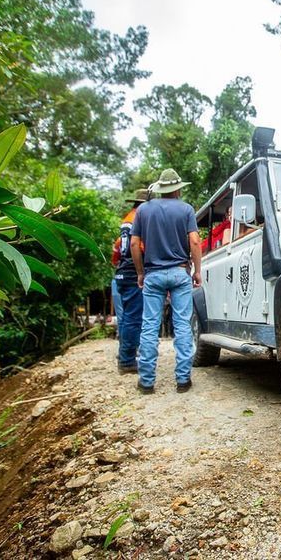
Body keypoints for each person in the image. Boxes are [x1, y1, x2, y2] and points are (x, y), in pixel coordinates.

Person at [130, 168, 202, 394]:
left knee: (149, 326)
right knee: (182, 325)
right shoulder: (186, 209)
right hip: (180, 273)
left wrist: (140, 273)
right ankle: (182, 380)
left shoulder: (143, 210)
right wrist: (197, 271)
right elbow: (195, 242)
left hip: (153, 274)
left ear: (161, 189)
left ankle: (147, 382)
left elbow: (134, 244)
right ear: (178, 189)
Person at [111, 188, 149, 374]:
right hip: (133, 271)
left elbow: (117, 248)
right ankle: (126, 361)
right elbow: (138, 246)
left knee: (126, 318)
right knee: (134, 318)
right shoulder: (139, 219)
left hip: (121, 273)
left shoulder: (126, 219)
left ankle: (123, 354)